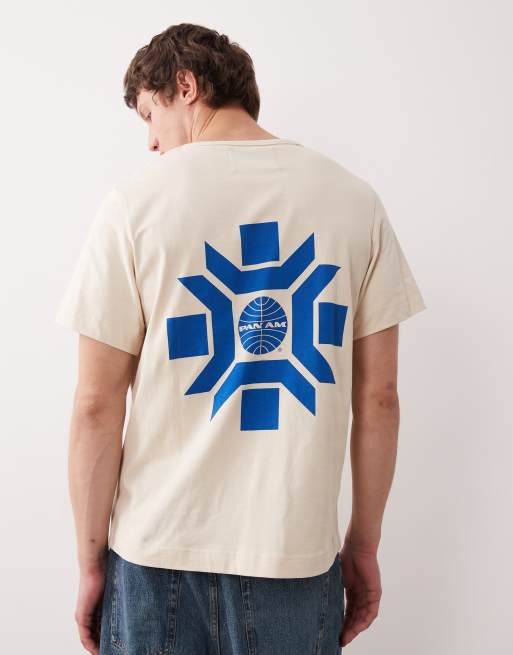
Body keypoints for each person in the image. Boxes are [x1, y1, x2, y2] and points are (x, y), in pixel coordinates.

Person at [55, 22, 426, 655]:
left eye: (149, 116)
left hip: (155, 556)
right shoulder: (354, 202)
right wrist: (363, 545)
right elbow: (380, 398)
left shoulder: (134, 206)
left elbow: (96, 405)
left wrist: (91, 562)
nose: (150, 142)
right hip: (294, 555)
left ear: (185, 86)